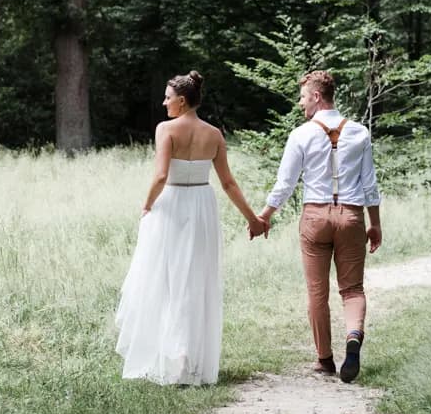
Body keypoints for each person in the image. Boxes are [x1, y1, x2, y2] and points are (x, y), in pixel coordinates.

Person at [116, 71, 267, 385]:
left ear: (181, 101)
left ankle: (170, 355)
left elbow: (159, 177)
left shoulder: (166, 129)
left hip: (170, 206)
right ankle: (187, 356)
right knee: (195, 280)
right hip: (202, 206)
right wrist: (252, 218)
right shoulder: (214, 134)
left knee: (164, 280)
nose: (164, 102)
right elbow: (227, 183)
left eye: (168, 97)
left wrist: (146, 206)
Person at [256, 70, 382, 383]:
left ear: (316, 96)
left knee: (317, 292)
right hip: (351, 216)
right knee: (352, 290)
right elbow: (369, 184)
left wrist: (265, 214)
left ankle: (325, 360)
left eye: (302, 97)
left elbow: (286, 183)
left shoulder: (300, 135)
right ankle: (353, 338)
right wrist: (375, 223)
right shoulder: (360, 132)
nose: (300, 104)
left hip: (315, 217)